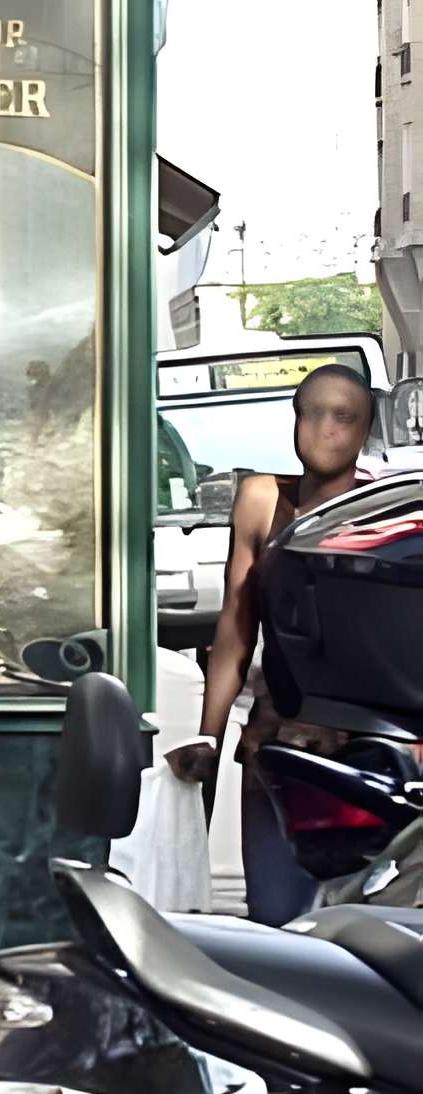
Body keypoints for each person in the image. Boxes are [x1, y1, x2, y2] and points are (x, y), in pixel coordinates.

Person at [171, 361, 379, 924]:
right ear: (293, 421)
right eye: (312, 414)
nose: (325, 429)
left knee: (360, 923)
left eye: (343, 418)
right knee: (276, 920)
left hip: (364, 746)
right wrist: (209, 737)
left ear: (364, 431)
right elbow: (235, 629)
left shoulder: (384, 510)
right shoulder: (262, 499)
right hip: (277, 742)